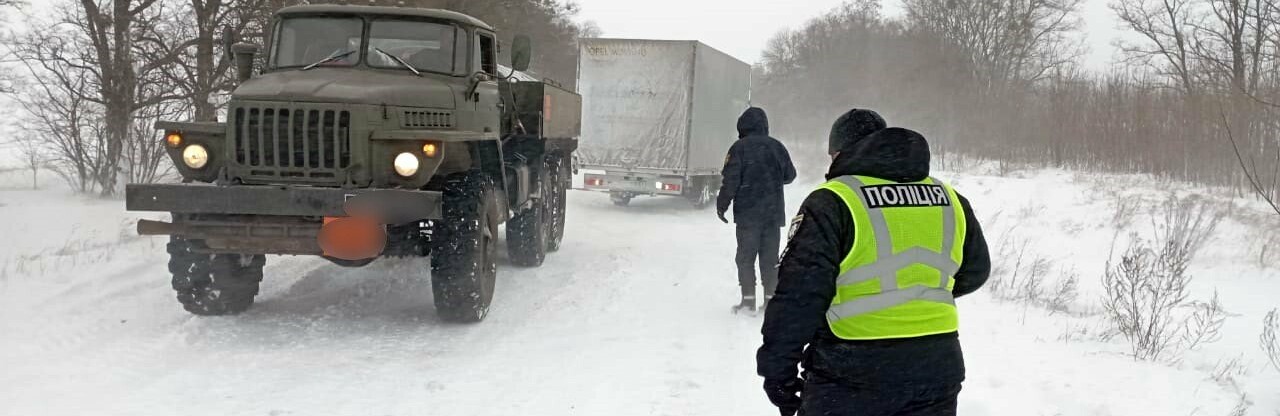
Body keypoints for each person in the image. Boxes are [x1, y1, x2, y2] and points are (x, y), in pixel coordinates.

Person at [757, 118, 991, 416]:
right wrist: (916, 298)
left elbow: (800, 294)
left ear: (842, 153)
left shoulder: (835, 200)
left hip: (850, 372)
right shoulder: (951, 199)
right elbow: (976, 271)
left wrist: (778, 369)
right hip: (937, 370)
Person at [717, 107, 797, 314]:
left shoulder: (739, 148)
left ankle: (748, 301)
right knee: (770, 260)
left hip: (748, 215)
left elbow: (731, 180)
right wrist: (770, 180)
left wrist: (722, 204)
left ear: (742, 126)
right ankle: (770, 301)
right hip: (772, 214)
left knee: (745, 258)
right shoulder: (777, 147)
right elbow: (790, 175)